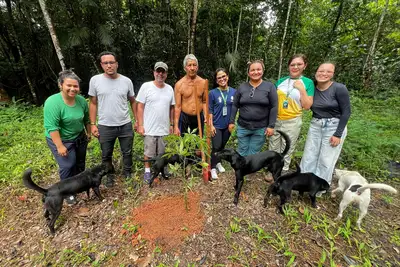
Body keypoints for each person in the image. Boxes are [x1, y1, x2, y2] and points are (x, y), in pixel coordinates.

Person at [89, 51, 137, 187]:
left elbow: (133, 101)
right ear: (101, 65)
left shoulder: (126, 81)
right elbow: (93, 103)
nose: (109, 65)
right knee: (106, 154)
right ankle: (109, 175)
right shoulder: (95, 80)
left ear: (117, 64)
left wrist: (137, 121)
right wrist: (92, 124)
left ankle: (127, 173)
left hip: (125, 124)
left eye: (112, 62)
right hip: (105, 125)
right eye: (106, 63)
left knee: (127, 152)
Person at [300, 62, 351, 189]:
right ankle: (304, 185)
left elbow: (346, 112)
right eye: (321, 71)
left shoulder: (339, 88)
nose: (324, 74)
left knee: (326, 160)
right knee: (309, 156)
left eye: (328, 72)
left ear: (333, 74)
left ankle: (319, 188)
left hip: (334, 125)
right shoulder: (311, 87)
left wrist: (338, 134)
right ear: (316, 71)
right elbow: (305, 104)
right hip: (316, 124)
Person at [44, 69, 90, 205]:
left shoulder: (81, 101)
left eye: (75, 86)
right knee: (68, 165)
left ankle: (77, 186)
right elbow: (52, 127)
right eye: (68, 85)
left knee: (80, 164)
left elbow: (86, 118)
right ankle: (66, 192)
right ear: (61, 85)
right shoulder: (53, 102)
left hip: (79, 136)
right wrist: (59, 146)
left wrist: (88, 132)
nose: (72, 89)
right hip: (60, 139)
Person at [269, 54, 314, 173]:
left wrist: (302, 89)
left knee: (287, 146)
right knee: (273, 145)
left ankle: (283, 171)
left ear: (305, 66)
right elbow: (272, 101)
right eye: (292, 64)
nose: (295, 67)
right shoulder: (281, 81)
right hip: (277, 119)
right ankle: (272, 169)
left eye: (299, 64)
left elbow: (307, 106)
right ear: (289, 66)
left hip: (292, 120)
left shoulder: (308, 83)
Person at [136, 62, 175, 184]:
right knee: (149, 152)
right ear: (154, 72)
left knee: (163, 152)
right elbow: (140, 106)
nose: (160, 74)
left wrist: (172, 124)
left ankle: (163, 170)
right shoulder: (146, 87)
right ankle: (148, 171)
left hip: (164, 127)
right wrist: (140, 124)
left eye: (163, 72)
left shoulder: (169, 89)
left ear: (166, 74)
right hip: (149, 127)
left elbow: (172, 108)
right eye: (158, 71)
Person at [229, 60, 278, 156]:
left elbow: (274, 107)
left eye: (258, 69)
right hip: (243, 126)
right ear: (248, 72)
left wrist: (271, 126)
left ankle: (251, 170)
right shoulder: (242, 87)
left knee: (254, 153)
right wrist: (231, 122)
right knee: (241, 151)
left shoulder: (270, 87)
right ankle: (241, 170)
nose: (256, 72)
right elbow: (235, 105)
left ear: (263, 70)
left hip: (260, 127)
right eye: (252, 70)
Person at [208, 68, 236, 180]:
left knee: (222, 146)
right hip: (217, 125)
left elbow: (235, 108)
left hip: (228, 125)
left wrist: (232, 122)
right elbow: (209, 110)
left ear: (227, 76)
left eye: (223, 76)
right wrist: (211, 125)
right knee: (216, 146)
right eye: (219, 77)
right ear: (216, 80)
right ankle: (213, 167)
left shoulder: (234, 92)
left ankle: (218, 162)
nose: (222, 79)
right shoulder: (212, 93)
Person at [174, 54, 208, 137]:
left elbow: (204, 101)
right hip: (184, 117)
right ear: (185, 68)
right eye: (189, 65)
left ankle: (198, 150)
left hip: (198, 117)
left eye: (194, 65)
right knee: (184, 145)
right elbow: (177, 107)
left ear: (197, 67)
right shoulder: (179, 84)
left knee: (198, 146)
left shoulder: (203, 83)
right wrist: (175, 126)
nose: (192, 68)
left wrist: (206, 116)